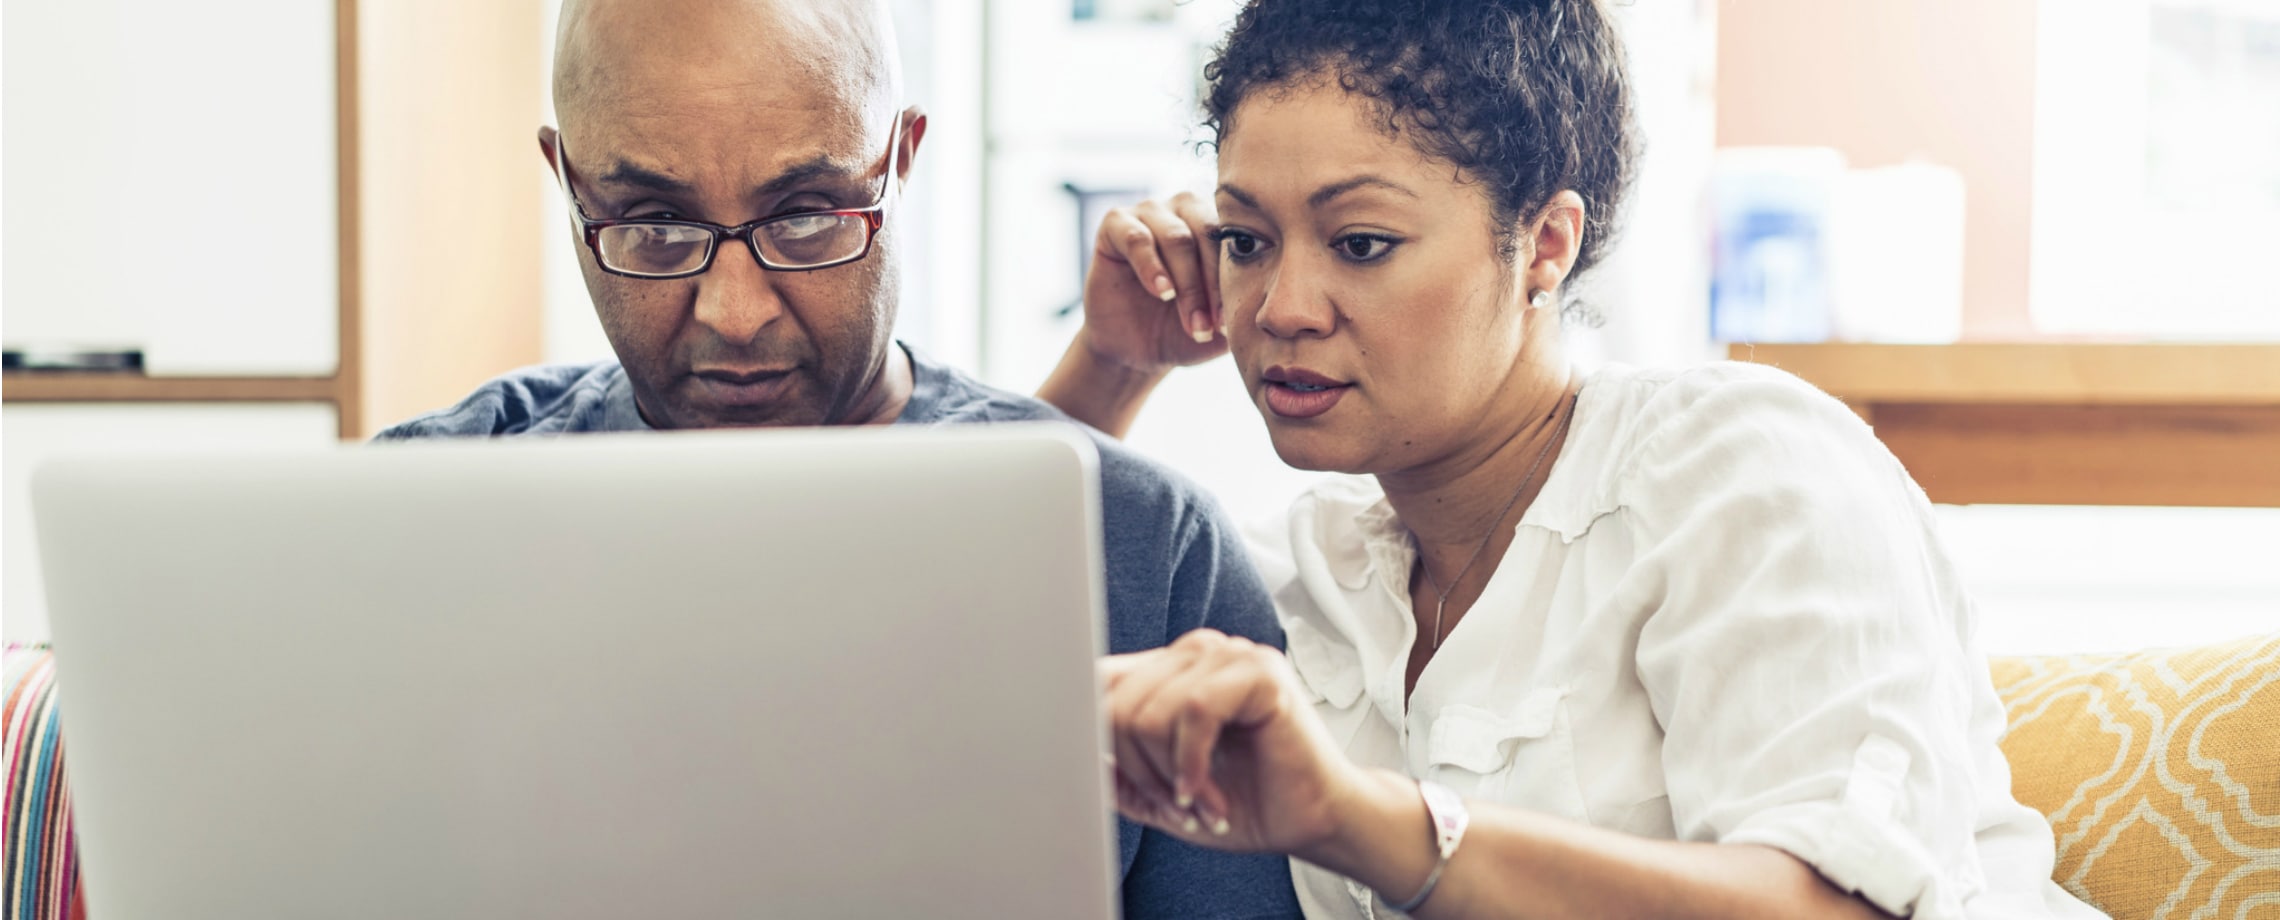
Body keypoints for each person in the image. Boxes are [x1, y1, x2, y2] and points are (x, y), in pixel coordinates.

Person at [1039, 0, 2108, 917]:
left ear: (1544, 243)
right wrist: (1111, 367)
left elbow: (1841, 903)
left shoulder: (1741, 469)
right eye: (1245, 239)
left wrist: (1360, 816)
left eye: (1361, 243)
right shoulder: (1306, 580)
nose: (1280, 307)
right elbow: (975, 673)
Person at [377, 1, 1300, 916]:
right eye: (654, 226)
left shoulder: (1150, 555)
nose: (734, 315)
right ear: (568, 181)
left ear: (902, 159)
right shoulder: (412, 516)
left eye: (808, 216)